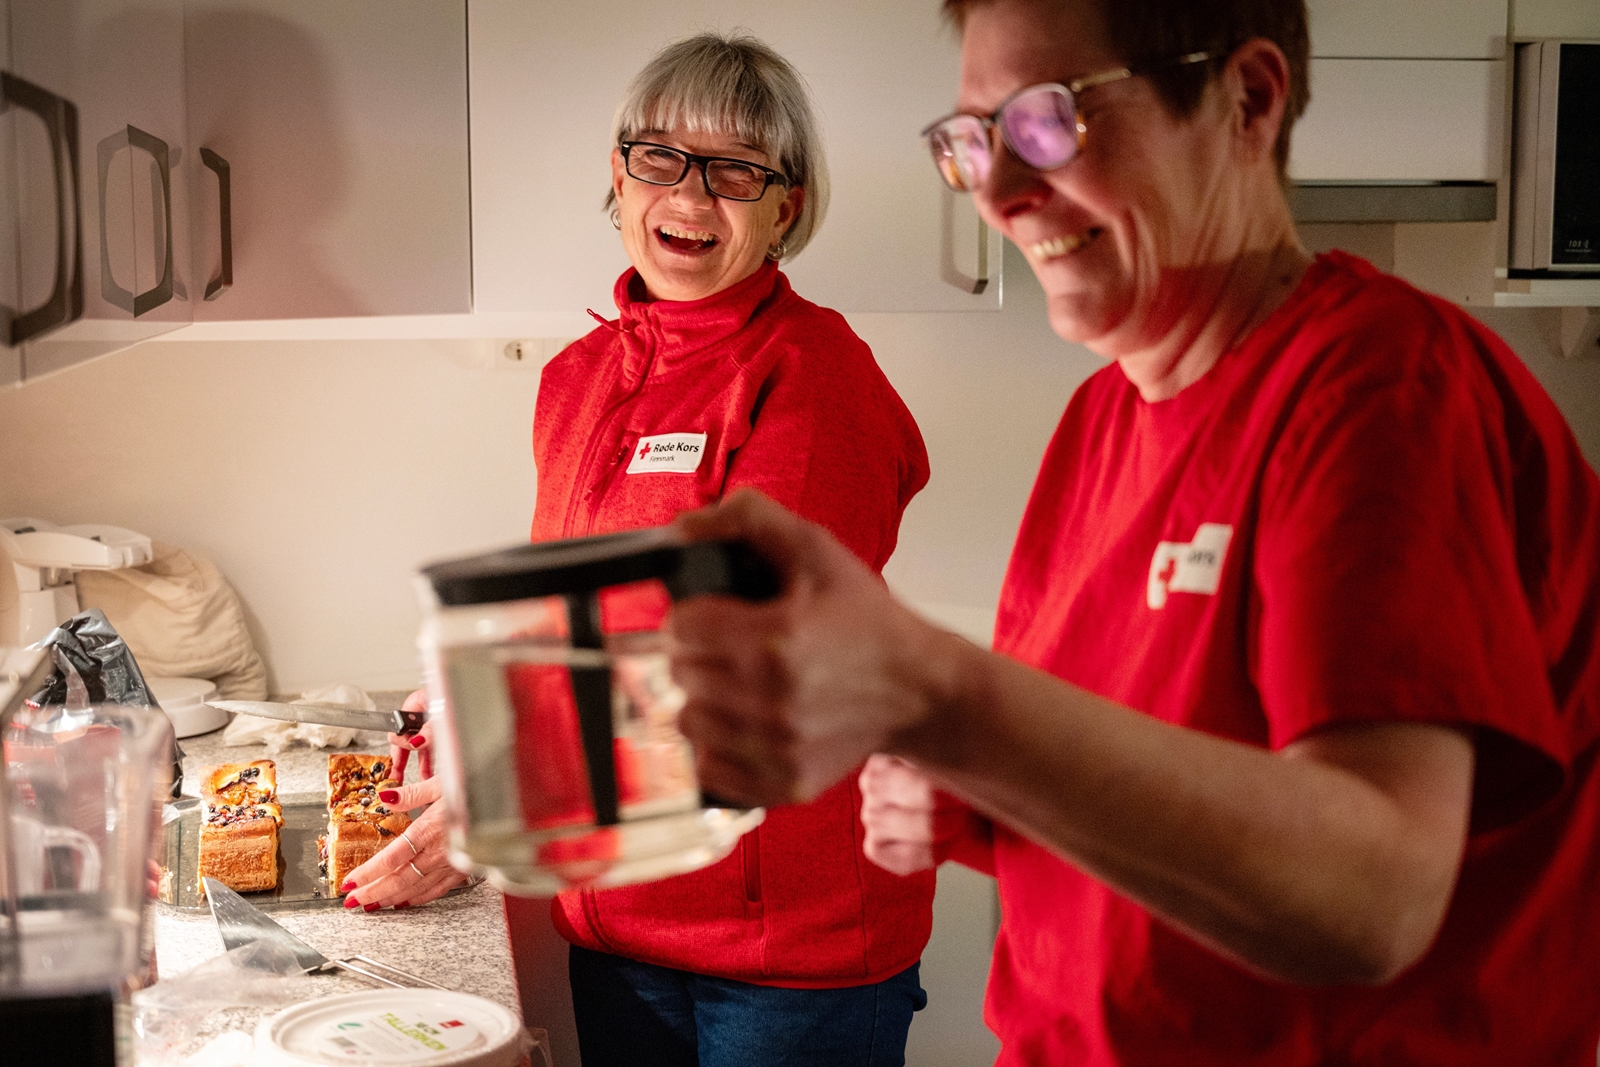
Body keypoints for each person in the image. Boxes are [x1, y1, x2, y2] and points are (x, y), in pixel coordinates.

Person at [662, 1, 1600, 1064]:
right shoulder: (1103, 417)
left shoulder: (1384, 388)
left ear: (1246, 99)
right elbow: (1160, 781)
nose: (1002, 195)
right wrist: (976, 800)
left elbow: (1370, 896)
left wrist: (945, 696)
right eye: (974, 143)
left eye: (1052, 122)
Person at [341, 31, 936, 1067]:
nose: (692, 199)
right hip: (616, 911)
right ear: (618, 174)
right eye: (660, 158)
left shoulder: (813, 378)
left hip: (782, 945)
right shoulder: (579, 377)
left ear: (785, 205)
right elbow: (591, 613)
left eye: (737, 171)